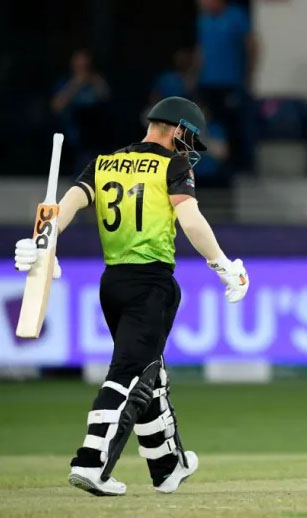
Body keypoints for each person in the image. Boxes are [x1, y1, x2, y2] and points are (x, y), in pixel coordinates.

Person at [14, 97, 249, 496]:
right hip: (152, 283)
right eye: (189, 137)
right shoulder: (171, 164)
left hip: (113, 284)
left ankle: (167, 466)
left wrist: (45, 242)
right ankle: (92, 464)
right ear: (177, 129)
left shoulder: (104, 162)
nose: (189, 147)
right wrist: (223, 265)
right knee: (130, 373)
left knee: (149, 372)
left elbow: (66, 204)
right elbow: (190, 218)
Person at [197, 0, 259, 172]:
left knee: (235, 126)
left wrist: (249, 75)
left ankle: (240, 167)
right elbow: (201, 50)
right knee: (210, 126)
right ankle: (214, 167)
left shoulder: (236, 17)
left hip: (231, 82)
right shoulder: (203, 20)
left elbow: (251, 45)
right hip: (207, 83)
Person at [51, 49, 111, 171]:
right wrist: (76, 84)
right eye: (79, 63)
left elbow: (106, 98)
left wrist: (94, 80)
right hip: (72, 131)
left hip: (95, 131)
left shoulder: (97, 81)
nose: (83, 66)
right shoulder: (66, 82)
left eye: (86, 63)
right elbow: (56, 106)